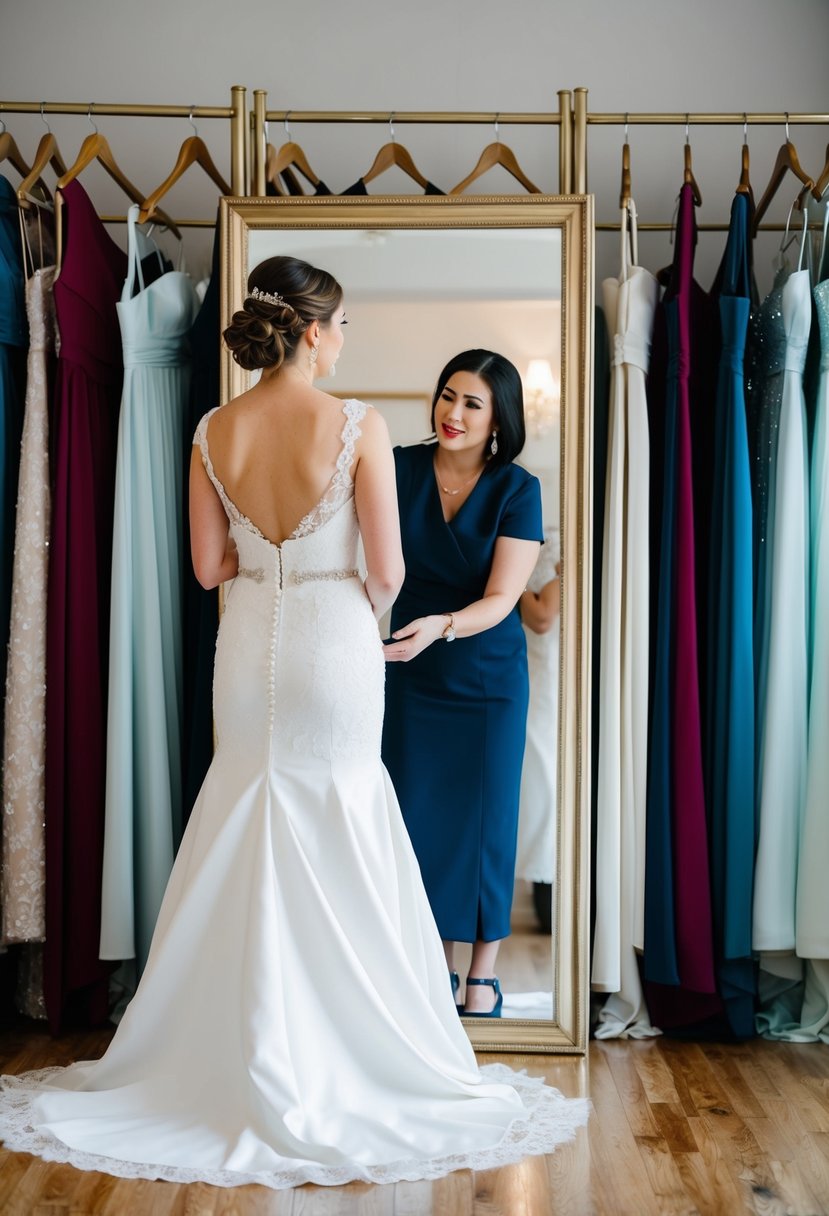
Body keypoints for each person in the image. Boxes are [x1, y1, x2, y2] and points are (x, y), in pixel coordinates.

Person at [0, 261, 587, 1188]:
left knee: (244, 815)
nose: (346, 338)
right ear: (313, 331)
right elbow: (387, 575)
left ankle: (222, 1048)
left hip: (248, 650)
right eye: (344, 323)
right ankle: (348, 1044)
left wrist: (266, 553)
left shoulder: (212, 430)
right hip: (334, 646)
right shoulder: (358, 424)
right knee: (341, 821)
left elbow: (206, 568)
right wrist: (343, 580)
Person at [382, 350, 544, 1018]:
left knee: (485, 820)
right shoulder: (395, 467)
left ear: (498, 416)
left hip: (484, 674)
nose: (452, 413)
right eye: (447, 396)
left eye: (471, 403)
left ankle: (482, 972)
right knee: (414, 817)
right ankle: (430, 963)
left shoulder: (516, 489)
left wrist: (441, 625)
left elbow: (505, 597)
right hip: (407, 672)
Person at [515, 528, 561, 936]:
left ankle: (548, 884)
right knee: (541, 781)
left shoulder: (565, 547)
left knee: (548, 782)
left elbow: (544, 616)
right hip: (539, 672)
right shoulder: (545, 546)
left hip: (559, 674)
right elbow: (542, 618)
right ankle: (541, 882)